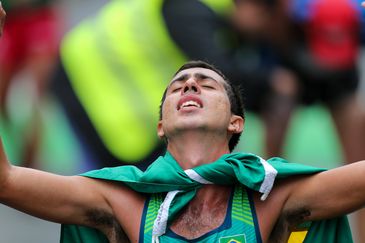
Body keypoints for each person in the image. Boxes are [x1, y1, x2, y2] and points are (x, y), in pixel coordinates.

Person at [3, 60, 365, 243]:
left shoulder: (273, 194)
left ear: (235, 123)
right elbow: (6, 182)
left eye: (206, 84)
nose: (190, 83)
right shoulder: (121, 200)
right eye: (177, 87)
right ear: (161, 125)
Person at [51, 0, 294, 169]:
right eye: (265, 19)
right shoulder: (189, 10)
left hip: (104, 81)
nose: (263, 30)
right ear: (252, 7)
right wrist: (271, 81)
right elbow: (219, 70)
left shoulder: (213, 14)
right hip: (85, 76)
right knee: (110, 188)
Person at [0, 0, 63, 167]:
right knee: (3, 99)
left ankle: (30, 165)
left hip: (39, 17)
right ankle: (21, 160)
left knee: (28, 98)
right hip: (8, 22)